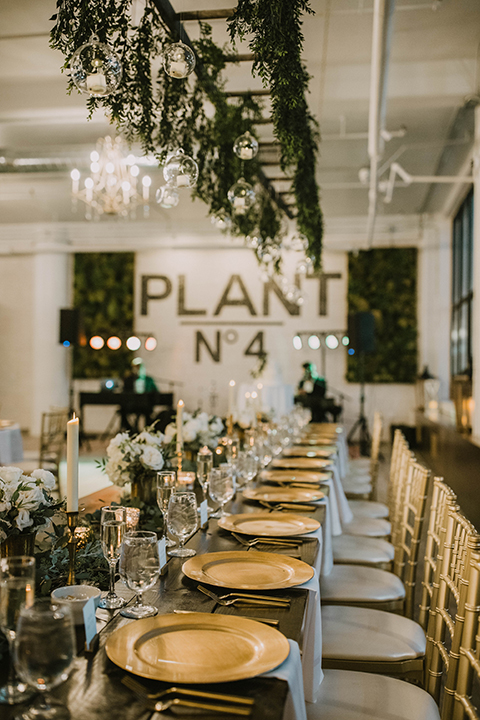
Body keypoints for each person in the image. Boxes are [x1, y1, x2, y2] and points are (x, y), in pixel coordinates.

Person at [121, 358, 158, 431]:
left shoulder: (148, 380)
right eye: (136, 367)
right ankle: (131, 430)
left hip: (146, 405)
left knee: (148, 415)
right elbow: (125, 393)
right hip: (131, 405)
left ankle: (147, 431)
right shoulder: (129, 379)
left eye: (139, 367)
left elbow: (155, 391)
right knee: (122, 412)